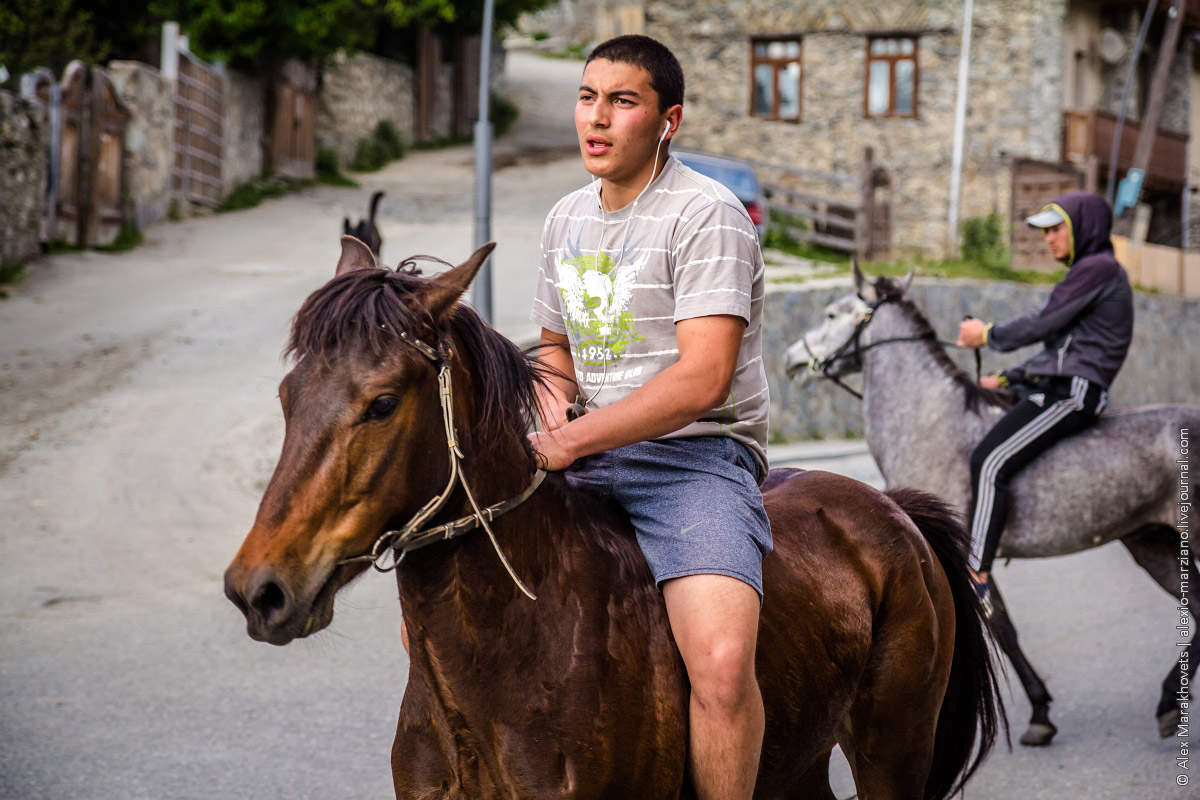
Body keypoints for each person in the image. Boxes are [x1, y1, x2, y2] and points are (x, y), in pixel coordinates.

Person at [527, 35, 770, 800]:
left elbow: (702, 379)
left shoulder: (706, 216)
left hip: (694, 460)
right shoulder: (563, 219)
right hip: (583, 454)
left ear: (668, 122)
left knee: (724, 666)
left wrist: (570, 438)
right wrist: (547, 416)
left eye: (623, 101)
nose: (596, 119)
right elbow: (553, 349)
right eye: (587, 97)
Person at [958, 191, 1134, 603]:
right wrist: (1005, 379)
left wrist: (987, 335)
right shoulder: (1091, 273)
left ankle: (977, 577)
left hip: (1073, 393)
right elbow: (1058, 346)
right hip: (1056, 384)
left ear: (1082, 228)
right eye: (1046, 231)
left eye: (1056, 229)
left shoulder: (1099, 269)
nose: (1049, 239)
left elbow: (1041, 323)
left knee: (988, 461)